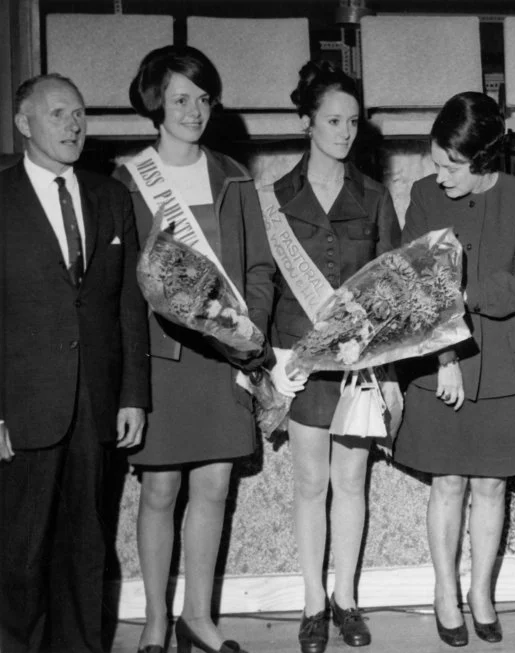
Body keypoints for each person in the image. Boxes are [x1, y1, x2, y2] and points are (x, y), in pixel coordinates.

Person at [113, 45, 301, 653]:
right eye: (180, 99)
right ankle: (154, 621)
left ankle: (198, 616)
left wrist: (249, 330)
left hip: (224, 357)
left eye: (202, 98)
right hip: (161, 360)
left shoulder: (235, 177)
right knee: (161, 490)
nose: (194, 110)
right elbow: (121, 283)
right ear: (154, 104)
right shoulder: (126, 178)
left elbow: (259, 268)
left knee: (215, 487)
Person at [0, 74, 150, 653]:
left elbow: (128, 304)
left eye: (80, 113)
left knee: (88, 549)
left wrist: (133, 392)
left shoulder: (109, 196)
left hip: (95, 405)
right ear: (23, 124)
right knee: (21, 555)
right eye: (59, 113)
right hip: (25, 408)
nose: (74, 125)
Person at [393, 91, 515, 647]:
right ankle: (444, 592)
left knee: (491, 486)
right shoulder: (423, 197)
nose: (441, 176)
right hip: (441, 364)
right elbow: (414, 284)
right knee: (448, 483)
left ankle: (481, 591)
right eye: (437, 162)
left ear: (484, 159)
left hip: (502, 363)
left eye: (452, 166)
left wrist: (457, 290)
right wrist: (445, 357)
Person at [265, 61, 401, 652]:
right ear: (305, 121)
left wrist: (389, 368)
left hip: (359, 363)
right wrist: (268, 370)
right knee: (308, 482)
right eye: (332, 120)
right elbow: (263, 285)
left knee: (351, 482)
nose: (345, 132)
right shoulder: (273, 198)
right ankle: (312, 603)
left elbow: (395, 287)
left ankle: (345, 598)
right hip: (299, 363)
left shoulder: (373, 197)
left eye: (352, 121)